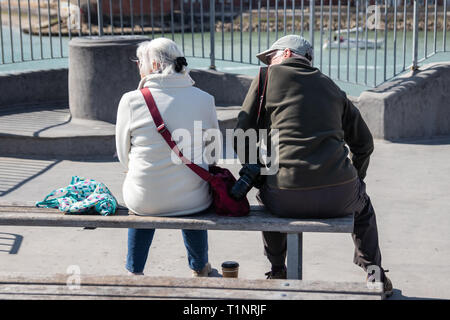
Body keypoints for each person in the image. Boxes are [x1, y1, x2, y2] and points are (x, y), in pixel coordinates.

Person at [234, 35, 393, 296]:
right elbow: (364, 144)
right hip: (340, 195)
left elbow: (242, 132)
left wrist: (258, 172)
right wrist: (356, 179)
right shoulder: (332, 87)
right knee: (363, 208)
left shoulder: (265, 78)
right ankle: (374, 274)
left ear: (286, 53)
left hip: (284, 197)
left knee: (265, 199)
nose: (268, 63)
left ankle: (277, 271)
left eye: (270, 57)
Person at [115, 38, 219, 277]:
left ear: (153, 65)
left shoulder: (131, 100)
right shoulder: (204, 98)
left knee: (144, 195)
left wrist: (136, 167)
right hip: (194, 201)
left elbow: (123, 154)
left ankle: (134, 270)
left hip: (145, 200)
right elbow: (212, 155)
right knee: (193, 191)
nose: (138, 67)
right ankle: (200, 266)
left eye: (140, 62)